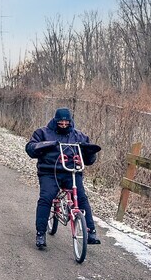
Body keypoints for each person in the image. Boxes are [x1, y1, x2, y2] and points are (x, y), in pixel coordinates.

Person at [25, 107, 101, 249]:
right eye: (61, 122)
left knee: (82, 198)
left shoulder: (79, 136)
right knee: (46, 198)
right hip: (49, 172)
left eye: (67, 122)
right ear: (55, 121)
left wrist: (88, 154)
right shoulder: (42, 133)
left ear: (71, 121)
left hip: (71, 172)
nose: (64, 125)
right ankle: (40, 233)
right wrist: (45, 146)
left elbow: (90, 160)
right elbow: (30, 148)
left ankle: (91, 231)